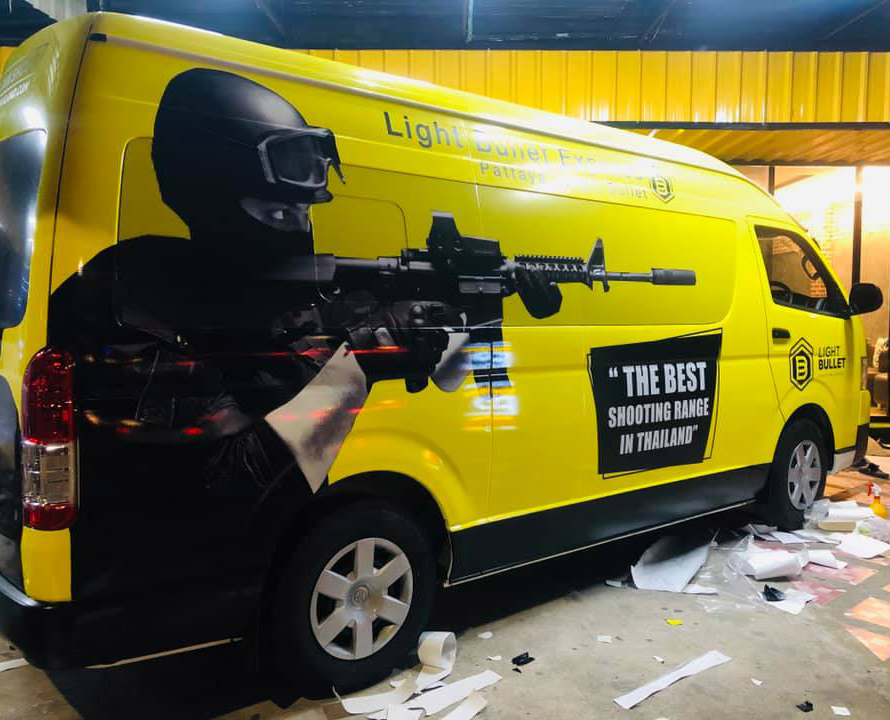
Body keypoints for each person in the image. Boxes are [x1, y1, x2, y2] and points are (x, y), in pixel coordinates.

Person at [49, 68, 560, 495]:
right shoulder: (129, 299)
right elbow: (233, 492)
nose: (297, 229)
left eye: (304, 212)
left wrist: (474, 314)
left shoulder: (317, 298)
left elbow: (451, 384)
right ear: (206, 197)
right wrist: (360, 361)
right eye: (276, 213)